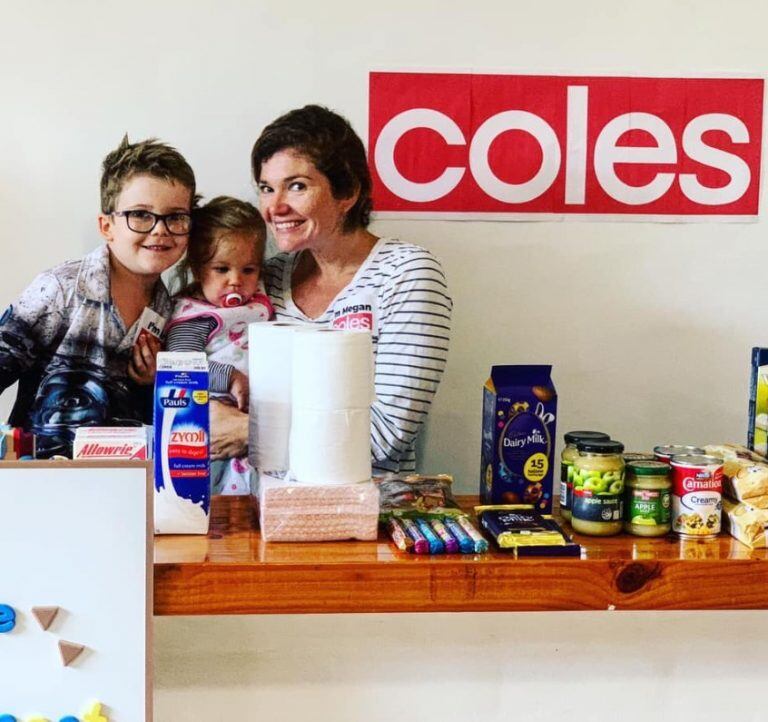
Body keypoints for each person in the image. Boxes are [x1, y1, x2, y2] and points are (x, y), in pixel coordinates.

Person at [211, 104, 452, 475]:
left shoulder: (405, 274)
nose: (275, 207)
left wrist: (249, 432)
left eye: (297, 186)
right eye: (266, 188)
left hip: (366, 520)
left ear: (348, 192)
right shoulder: (265, 279)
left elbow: (384, 436)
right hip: (263, 514)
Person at [0, 136, 194, 457]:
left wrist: (151, 383)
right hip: (42, 480)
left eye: (175, 217)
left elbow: (155, 421)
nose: (160, 230)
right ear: (107, 226)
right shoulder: (60, 290)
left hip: (124, 483)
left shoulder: (171, 309)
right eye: (141, 215)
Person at [166, 196, 273, 493]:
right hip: (212, 423)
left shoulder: (262, 302)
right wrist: (230, 376)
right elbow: (180, 365)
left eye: (249, 270)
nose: (236, 281)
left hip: (260, 423)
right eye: (222, 269)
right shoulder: (195, 317)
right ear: (199, 269)